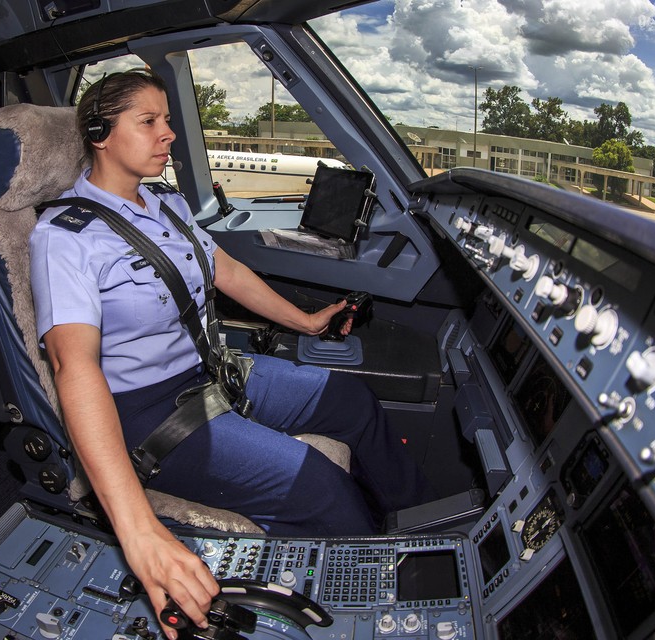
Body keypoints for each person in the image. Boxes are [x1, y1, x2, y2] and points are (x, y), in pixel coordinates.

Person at [29, 69, 432, 634]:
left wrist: (308, 322)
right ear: (100, 133)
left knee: (352, 400)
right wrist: (138, 530)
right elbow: (75, 367)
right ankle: (371, 608)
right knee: (320, 486)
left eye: (168, 120)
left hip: (210, 370)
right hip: (149, 412)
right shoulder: (65, 237)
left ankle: (417, 532)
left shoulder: (164, 201)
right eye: (149, 122)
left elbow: (226, 269)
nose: (167, 133)